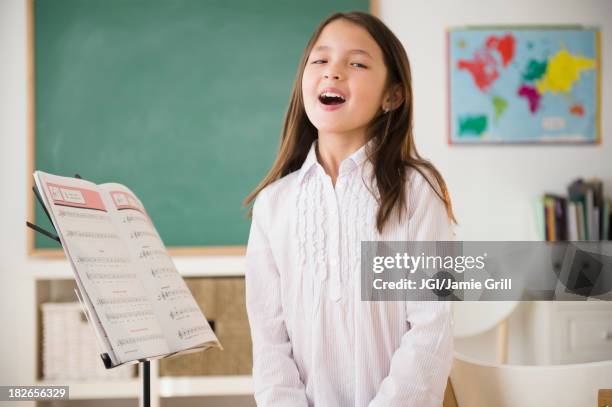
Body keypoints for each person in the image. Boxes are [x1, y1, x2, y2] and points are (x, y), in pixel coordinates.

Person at [243, 11, 457, 407]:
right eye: (320, 60)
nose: (333, 72)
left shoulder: (417, 192)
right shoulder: (274, 205)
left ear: (392, 95)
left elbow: (432, 325)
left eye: (356, 63)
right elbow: (270, 342)